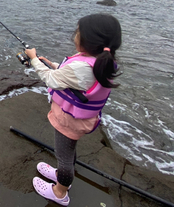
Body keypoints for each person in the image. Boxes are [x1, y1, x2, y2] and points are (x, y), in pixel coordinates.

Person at [24, 13, 122, 206]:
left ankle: (60, 191)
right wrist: (52, 65)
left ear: (88, 40)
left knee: (64, 157)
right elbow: (74, 77)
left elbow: (52, 79)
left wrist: (34, 59)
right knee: (68, 152)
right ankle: (62, 174)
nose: (74, 35)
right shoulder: (100, 60)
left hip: (69, 120)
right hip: (82, 119)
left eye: (78, 31)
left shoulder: (82, 66)